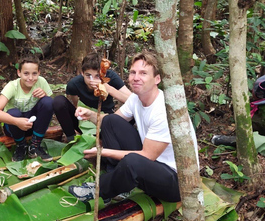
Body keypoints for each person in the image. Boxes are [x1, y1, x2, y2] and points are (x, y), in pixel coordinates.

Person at [68, 51, 199, 203]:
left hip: (176, 181)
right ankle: (118, 182)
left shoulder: (163, 110)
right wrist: (89, 115)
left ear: (157, 79)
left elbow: (147, 156)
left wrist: (102, 152)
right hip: (149, 164)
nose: (136, 77)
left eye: (143, 73)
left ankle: (100, 188)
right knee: (111, 121)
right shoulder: (136, 99)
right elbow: (111, 122)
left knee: (133, 162)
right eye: (133, 72)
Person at [53, 52, 131, 142]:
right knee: (58, 101)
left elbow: (132, 100)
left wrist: (109, 89)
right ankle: (72, 139)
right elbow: (75, 105)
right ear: (82, 73)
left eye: (97, 76)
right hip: (84, 120)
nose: (92, 80)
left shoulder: (111, 78)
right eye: (88, 75)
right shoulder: (74, 84)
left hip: (106, 120)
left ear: (104, 73)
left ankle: (103, 140)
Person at [0, 55, 54, 162]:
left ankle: (35, 145)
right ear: (19, 73)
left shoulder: (41, 82)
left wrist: (45, 95)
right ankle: (21, 146)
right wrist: (16, 121)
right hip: (14, 127)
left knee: (49, 101)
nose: (30, 78)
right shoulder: (12, 86)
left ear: (39, 73)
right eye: (26, 73)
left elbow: (49, 108)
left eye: (34, 73)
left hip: (32, 126)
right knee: (13, 112)